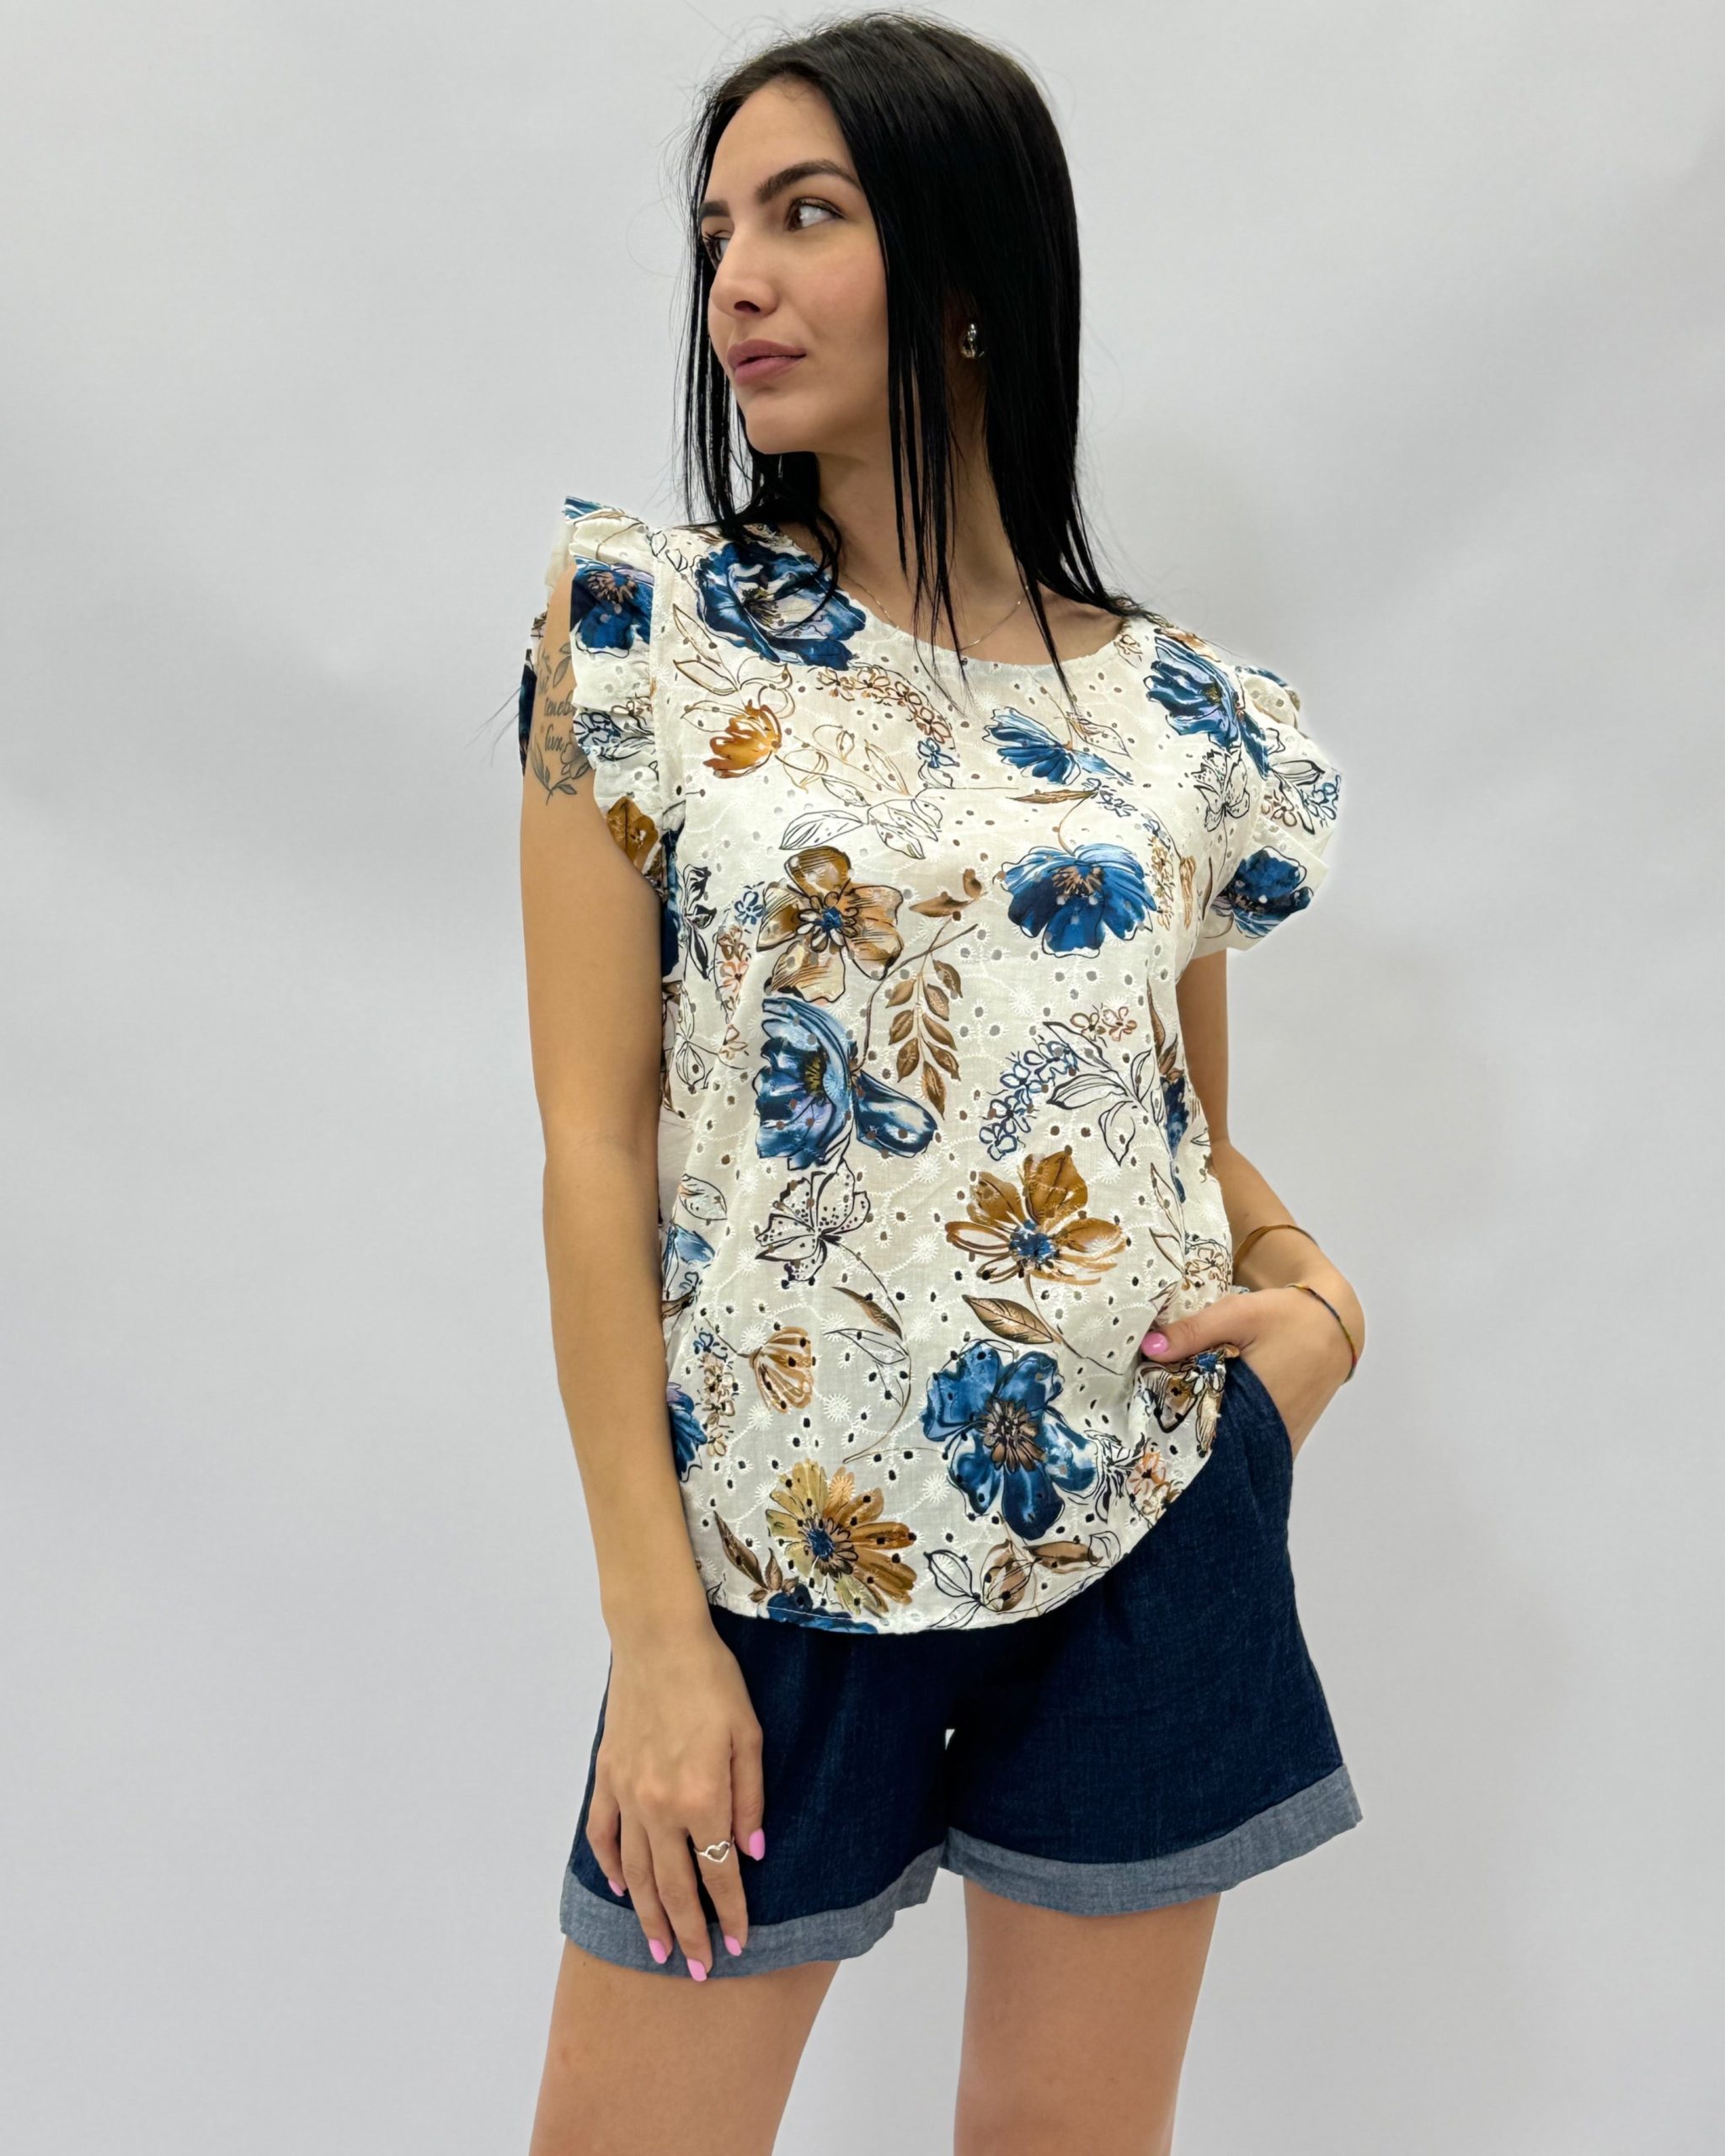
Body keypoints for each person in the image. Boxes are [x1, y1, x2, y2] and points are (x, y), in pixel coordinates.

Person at [515, 14, 1365, 2154]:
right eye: (719, 230)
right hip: (772, 1554)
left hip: (1143, 1529)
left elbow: (1173, 1119)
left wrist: (1314, 1312)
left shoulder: (1181, 713)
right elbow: (590, 1142)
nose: (738, 280)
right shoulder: (645, 632)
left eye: (806, 215)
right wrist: (655, 1632)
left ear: (971, 271)